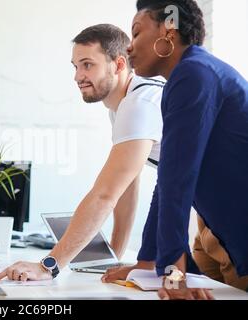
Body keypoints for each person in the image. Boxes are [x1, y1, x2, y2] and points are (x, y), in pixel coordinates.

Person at [0, 24, 164, 282]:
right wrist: (114, 256)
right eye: (75, 66)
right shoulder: (121, 107)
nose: (77, 76)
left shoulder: (139, 104)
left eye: (87, 65)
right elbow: (127, 184)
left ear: (118, 65)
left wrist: (48, 266)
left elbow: (105, 195)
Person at [102, 0, 248, 300]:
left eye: (137, 32)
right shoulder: (188, 77)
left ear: (168, 31)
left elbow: (176, 180)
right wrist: (148, 261)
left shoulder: (194, 74)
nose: (129, 48)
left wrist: (173, 269)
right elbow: (169, 177)